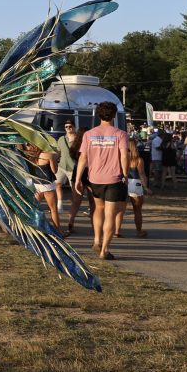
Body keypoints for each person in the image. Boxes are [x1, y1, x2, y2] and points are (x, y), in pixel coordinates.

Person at [74, 101, 129, 261]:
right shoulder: (120, 134)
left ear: (99, 115)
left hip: (95, 178)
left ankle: (97, 240)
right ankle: (104, 250)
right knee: (110, 214)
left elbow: (83, 158)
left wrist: (78, 179)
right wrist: (125, 174)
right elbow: (124, 156)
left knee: (98, 209)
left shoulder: (88, 134)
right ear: (114, 115)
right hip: (114, 178)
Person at [114, 142, 151, 238]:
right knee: (137, 210)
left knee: (120, 210)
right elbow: (142, 174)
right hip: (135, 183)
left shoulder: (120, 158)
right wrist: (145, 187)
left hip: (123, 182)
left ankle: (117, 231)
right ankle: (139, 231)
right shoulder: (138, 160)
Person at [24, 143, 61, 231]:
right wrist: (55, 159)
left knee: (35, 208)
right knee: (53, 210)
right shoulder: (49, 154)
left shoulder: (30, 154)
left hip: (36, 183)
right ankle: (58, 230)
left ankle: (34, 228)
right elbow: (54, 170)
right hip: (47, 184)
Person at [55, 122, 77, 213]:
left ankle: (74, 206)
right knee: (57, 184)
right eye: (66, 126)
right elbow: (58, 152)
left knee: (74, 188)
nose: (68, 128)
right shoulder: (61, 139)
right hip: (61, 166)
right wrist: (54, 161)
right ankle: (59, 205)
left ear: (74, 127)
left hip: (73, 167)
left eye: (70, 126)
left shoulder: (79, 139)